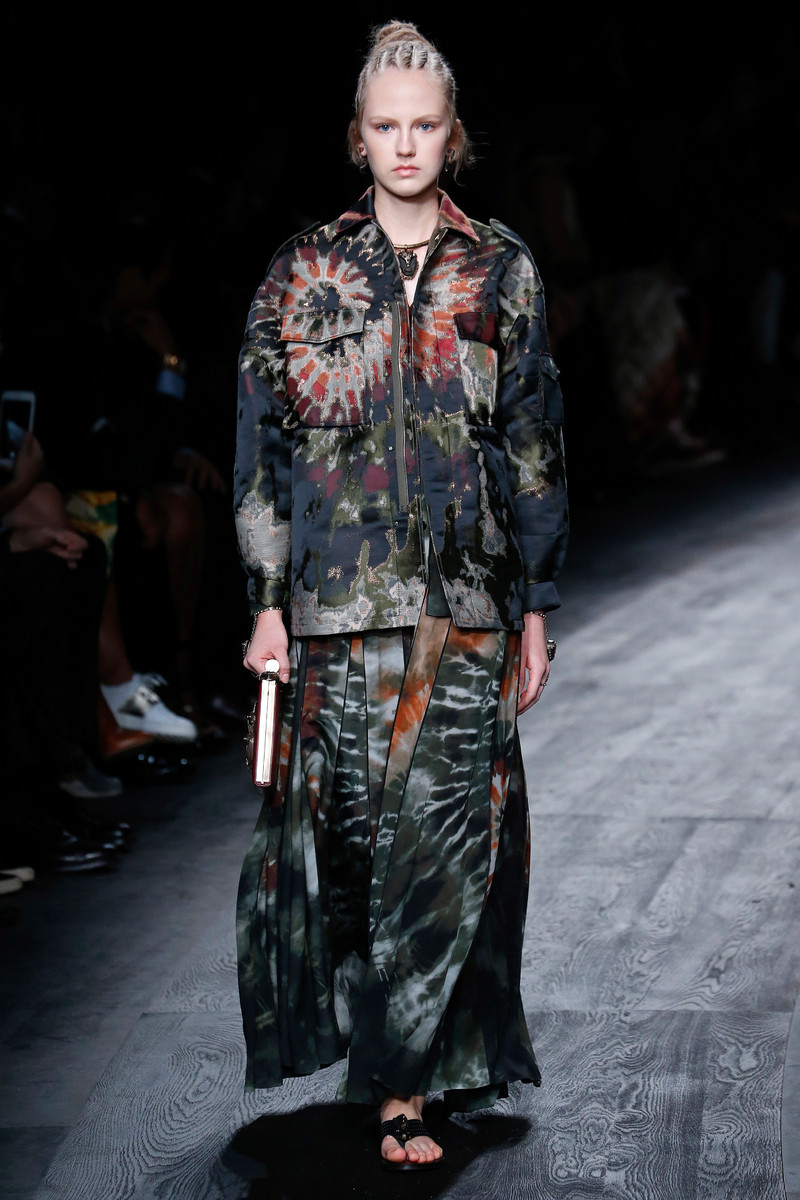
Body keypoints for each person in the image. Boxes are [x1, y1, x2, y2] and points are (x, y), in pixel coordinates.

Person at [235, 21, 568, 1172]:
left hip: (466, 599)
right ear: (357, 135)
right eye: (386, 125)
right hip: (335, 602)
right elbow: (264, 446)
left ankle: (402, 1091)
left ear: (452, 132)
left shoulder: (499, 269)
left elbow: (532, 442)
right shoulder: (303, 273)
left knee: (447, 844)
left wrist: (536, 603)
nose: (406, 143)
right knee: (356, 853)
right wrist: (264, 602)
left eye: (424, 124)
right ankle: (410, 1057)